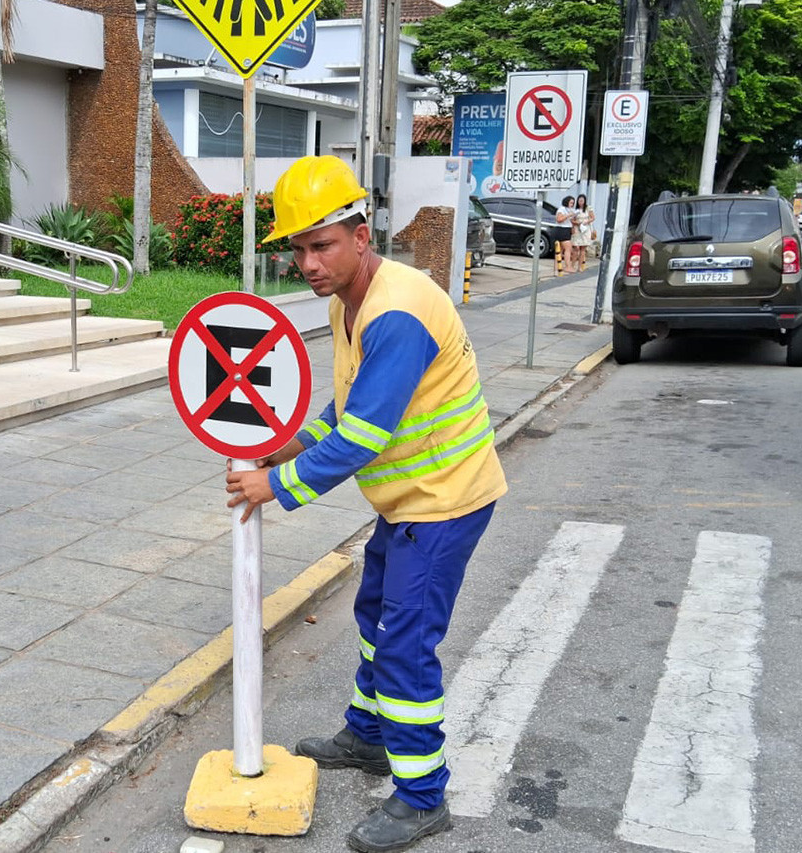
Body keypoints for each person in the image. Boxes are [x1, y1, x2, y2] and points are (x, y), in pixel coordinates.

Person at [226, 155, 508, 853]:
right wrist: (289, 444)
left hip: (443, 502)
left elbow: (364, 433)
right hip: (407, 501)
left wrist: (277, 485)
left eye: (320, 244)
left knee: (408, 641)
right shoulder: (348, 301)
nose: (308, 262)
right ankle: (372, 735)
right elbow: (346, 405)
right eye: (296, 247)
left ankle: (422, 795)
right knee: (375, 613)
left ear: (360, 233)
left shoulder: (398, 311)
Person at [571, 193, 595, 272]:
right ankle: (572, 265)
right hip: (577, 228)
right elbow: (572, 219)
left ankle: (580, 267)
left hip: (585, 229)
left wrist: (586, 222)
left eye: (582, 200)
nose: (580, 202)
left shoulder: (588, 208)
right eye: (579, 201)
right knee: (575, 248)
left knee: (583, 249)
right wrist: (576, 223)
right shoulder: (576, 210)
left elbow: (592, 217)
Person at [554, 195, 575, 273]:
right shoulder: (562, 209)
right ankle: (568, 266)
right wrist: (568, 215)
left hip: (567, 229)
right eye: (571, 203)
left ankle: (557, 268)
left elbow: (570, 221)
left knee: (560, 250)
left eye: (573, 203)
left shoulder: (569, 210)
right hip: (562, 229)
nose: (572, 205)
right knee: (568, 248)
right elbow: (559, 219)